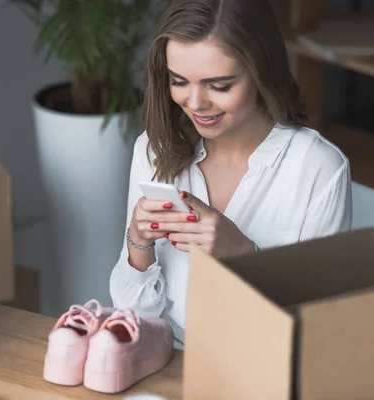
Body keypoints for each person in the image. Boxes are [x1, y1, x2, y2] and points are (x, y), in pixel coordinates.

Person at [109, 0, 352, 347]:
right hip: (172, 362)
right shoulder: (154, 149)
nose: (195, 102)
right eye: (178, 81)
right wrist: (138, 243)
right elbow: (136, 316)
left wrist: (243, 254)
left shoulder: (317, 169)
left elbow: (319, 331)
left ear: (260, 71)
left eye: (219, 86)